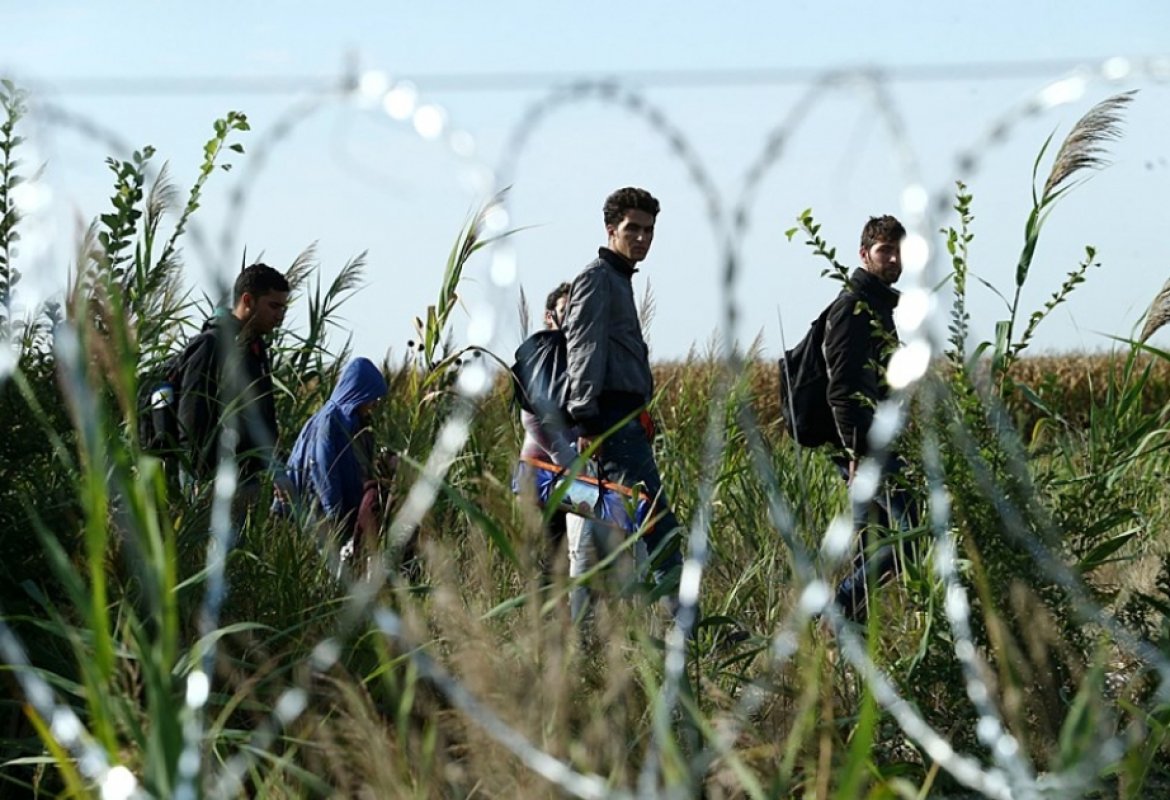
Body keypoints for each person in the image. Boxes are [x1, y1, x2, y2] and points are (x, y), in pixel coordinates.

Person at [562, 186, 683, 623]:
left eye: (649, 230)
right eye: (633, 229)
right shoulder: (597, 278)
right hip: (610, 426)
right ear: (611, 229)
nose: (642, 238)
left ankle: (583, 640)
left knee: (601, 542)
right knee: (662, 530)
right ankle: (685, 630)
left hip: (625, 422)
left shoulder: (619, 278)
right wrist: (588, 422)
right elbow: (583, 350)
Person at [822, 215, 918, 622]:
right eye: (885, 251)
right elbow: (840, 389)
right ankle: (835, 611)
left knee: (873, 546)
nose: (893, 259)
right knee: (912, 536)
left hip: (874, 443)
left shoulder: (879, 306)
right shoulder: (852, 309)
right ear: (864, 254)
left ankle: (849, 643)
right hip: (864, 447)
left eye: (899, 251)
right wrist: (855, 451)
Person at [178, 263, 290, 503]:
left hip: (245, 479)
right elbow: (190, 418)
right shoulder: (211, 345)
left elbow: (264, 417)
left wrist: (276, 468)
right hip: (211, 483)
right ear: (247, 300)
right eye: (274, 306)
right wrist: (198, 476)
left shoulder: (255, 350)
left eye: (283, 308)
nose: (279, 315)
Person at [286, 357, 390, 560]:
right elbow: (322, 468)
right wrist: (333, 513)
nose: (375, 403)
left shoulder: (356, 422)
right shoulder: (330, 420)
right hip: (321, 511)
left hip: (344, 510)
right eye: (372, 397)